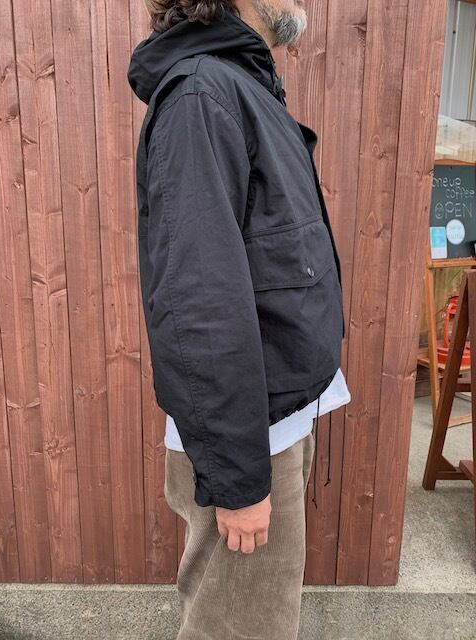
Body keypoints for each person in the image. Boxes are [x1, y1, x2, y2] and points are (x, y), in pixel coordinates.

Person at [128, 0, 351, 637]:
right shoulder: (203, 95)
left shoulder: (237, 82)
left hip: (271, 419)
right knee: (240, 626)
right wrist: (238, 480)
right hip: (251, 436)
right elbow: (199, 303)